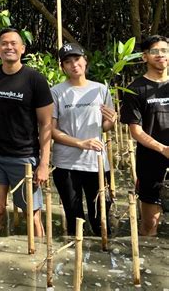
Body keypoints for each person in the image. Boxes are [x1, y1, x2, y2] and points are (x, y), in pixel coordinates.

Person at [0, 28, 53, 235]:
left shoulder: (35, 80)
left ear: (22, 49)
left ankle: (38, 259)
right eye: (4, 43)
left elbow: (46, 124)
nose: (9, 47)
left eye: (14, 43)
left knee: (32, 216)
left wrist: (43, 164)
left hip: (24, 157)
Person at [51, 43, 116, 235]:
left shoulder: (100, 90)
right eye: (68, 62)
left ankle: (103, 259)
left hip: (96, 163)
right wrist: (80, 143)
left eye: (77, 59)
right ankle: (75, 262)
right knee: (75, 221)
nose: (74, 65)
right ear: (62, 67)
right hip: (66, 164)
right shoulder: (56, 92)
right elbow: (51, 131)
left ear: (85, 61)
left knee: (100, 221)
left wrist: (112, 121)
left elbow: (104, 126)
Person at [121, 35, 169, 236]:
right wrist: (163, 149)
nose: (161, 55)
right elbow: (136, 131)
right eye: (155, 51)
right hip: (150, 160)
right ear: (144, 57)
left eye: (165, 51)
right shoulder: (135, 89)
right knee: (150, 224)